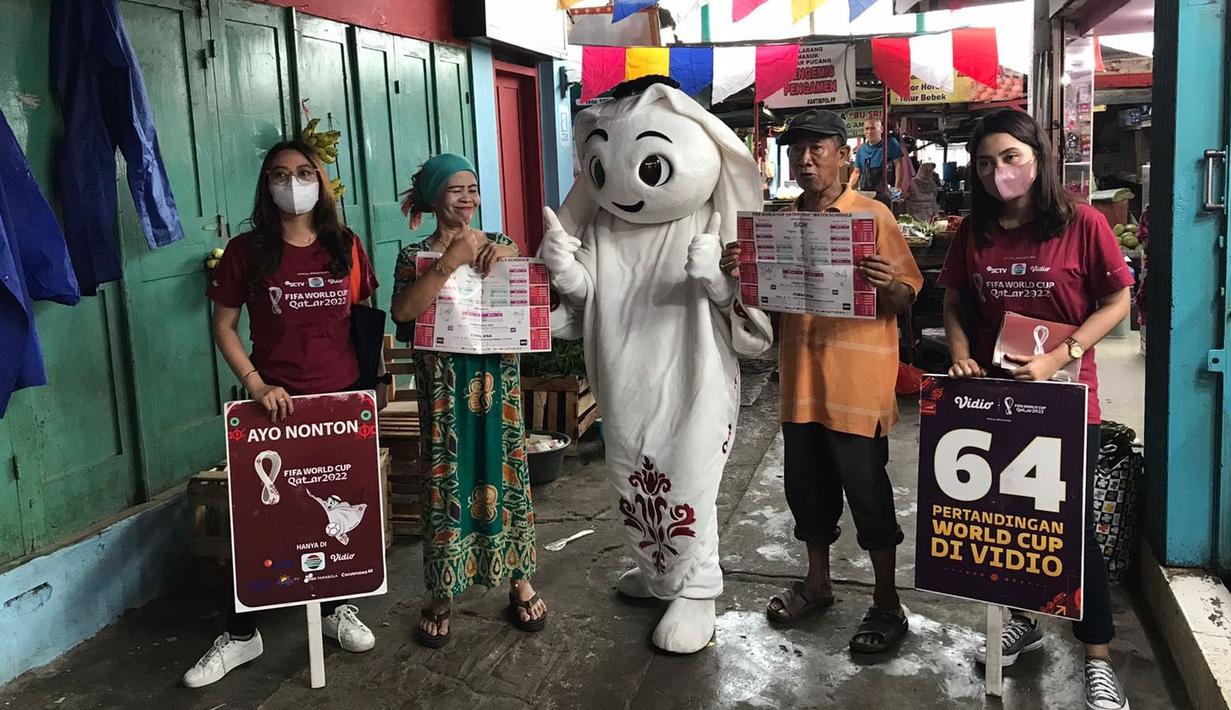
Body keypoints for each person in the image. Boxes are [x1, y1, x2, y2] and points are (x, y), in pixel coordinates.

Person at [939, 109, 1133, 710]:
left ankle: (1097, 656)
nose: (998, 171)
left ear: (1038, 157)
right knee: (1005, 523)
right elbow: (953, 301)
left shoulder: (1083, 223)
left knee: (1069, 527)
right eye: (985, 162)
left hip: (1065, 400)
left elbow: (1117, 299)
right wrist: (962, 355)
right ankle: (1021, 622)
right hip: (994, 399)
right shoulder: (974, 231)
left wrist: (1059, 357)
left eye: (1010, 157)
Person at [721, 109, 923, 655]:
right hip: (800, 386)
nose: (806, 160)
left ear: (843, 155)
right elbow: (764, 305)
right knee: (806, 490)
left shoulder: (873, 216)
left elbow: (906, 296)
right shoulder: (781, 224)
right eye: (797, 152)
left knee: (869, 493)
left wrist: (887, 284)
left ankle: (887, 601)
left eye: (817, 150)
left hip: (857, 386)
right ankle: (817, 584)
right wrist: (741, 271)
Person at [187, 140, 379, 688]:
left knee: (337, 511)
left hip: (339, 404)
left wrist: (369, 389)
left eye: (303, 172)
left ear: (321, 181)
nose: (292, 184)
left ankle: (337, 609)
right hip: (272, 409)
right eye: (279, 174)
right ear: (265, 185)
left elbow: (363, 315)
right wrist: (255, 383)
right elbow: (224, 326)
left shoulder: (346, 245)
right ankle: (242, 633)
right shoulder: (246, 251)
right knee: (259, 517)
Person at [389, 153, 548, 648]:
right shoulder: (414, 256)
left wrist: (508, 261)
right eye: (455, 189)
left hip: (498, 385)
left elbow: (528, 296)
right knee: (447, 480)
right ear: (434, 197)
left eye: (473, 188)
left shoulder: (501, 245)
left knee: (506, 472)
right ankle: (442, 591)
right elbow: (403, 312)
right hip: (444, 392)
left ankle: (519, 579)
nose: (467, 198)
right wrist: (449, 262)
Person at [847, 118, 905, 206]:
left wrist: (897, 186)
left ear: (881, 129)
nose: (869, 131)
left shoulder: (890, 143)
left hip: (885, 192)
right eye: (866, 129)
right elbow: (856, 172)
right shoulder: (861, 149)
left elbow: (898, 165)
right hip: (866, 192)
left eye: (873, 128)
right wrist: (848, 190)